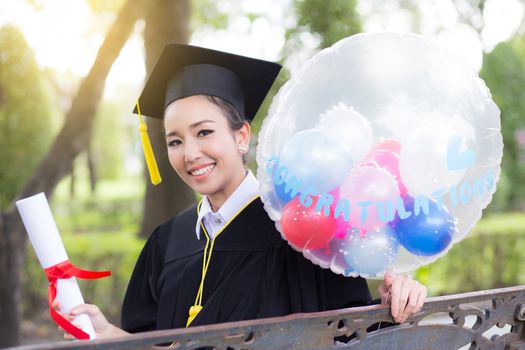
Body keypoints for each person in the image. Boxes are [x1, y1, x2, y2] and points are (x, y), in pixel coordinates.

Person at [57, 44, 427, 339]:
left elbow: (352, 335)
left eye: (204, 132)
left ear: (241, 136)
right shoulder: (165, 242)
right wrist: (111, 335)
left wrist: (393, 303)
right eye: (174, 141)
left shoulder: (298, 229)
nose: (190, 154)